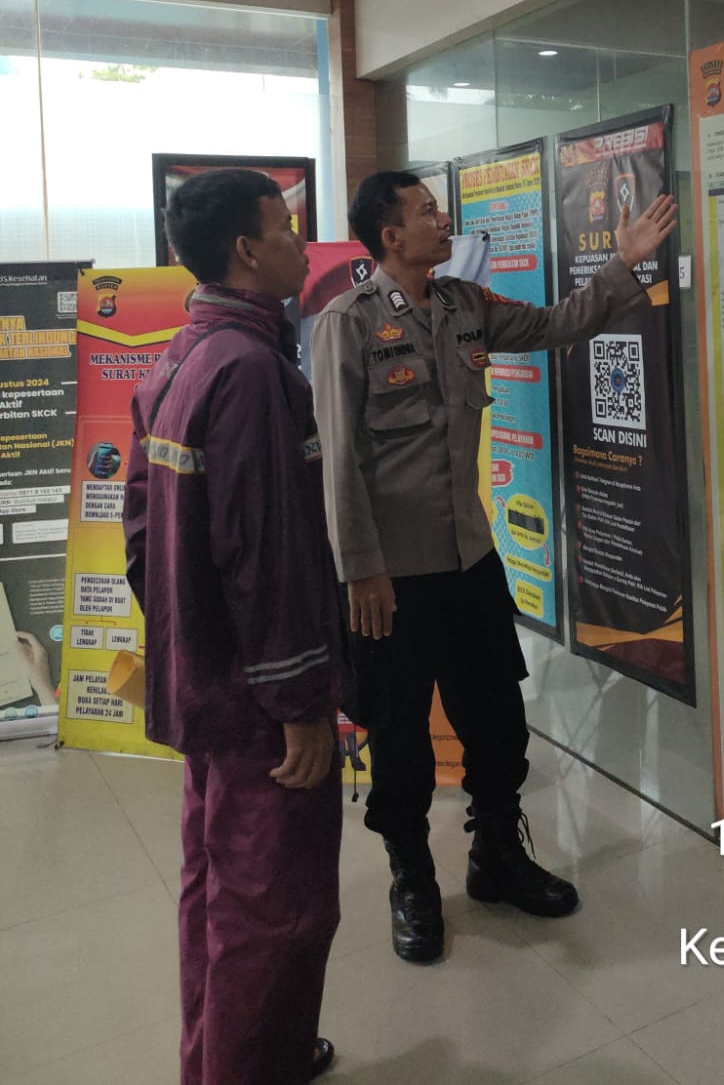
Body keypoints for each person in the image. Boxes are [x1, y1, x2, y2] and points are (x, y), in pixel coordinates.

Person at [311, 170, 677, 964]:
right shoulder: (348, 322)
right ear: (390, 236)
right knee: (400, 738)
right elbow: (337, 459)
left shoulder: (464, 305)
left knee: (497, 721)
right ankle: (412, 877)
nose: (443, 221)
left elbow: (557, 324)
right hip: (391, 579)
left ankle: (496, 856)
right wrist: (360, 570)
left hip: (470, 559)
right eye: (426, 213)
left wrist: (623, 264)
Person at [123, 170, 342, 1085]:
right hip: (259, 704)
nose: (302, 244)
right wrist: (298, 703)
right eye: (287, 228)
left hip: (208, 682)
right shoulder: (250, 371)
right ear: (248, 250)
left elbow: (141, 533)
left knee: (215, 889)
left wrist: (190, 644)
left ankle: (228, 1060)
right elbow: (269, 555)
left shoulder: (183, 353)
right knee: (274, 910)